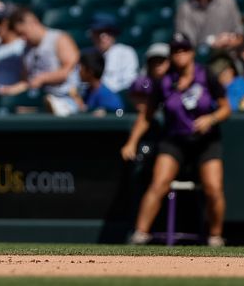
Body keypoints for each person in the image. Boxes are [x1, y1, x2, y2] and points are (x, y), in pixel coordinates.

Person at [121, 33, 231, 248]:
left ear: (191, 52)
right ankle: (140, 235)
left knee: (213, 187)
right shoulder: (165, 81)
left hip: (205, 141)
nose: (180, 55)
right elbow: (147, 115)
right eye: (175, 51)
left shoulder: (205, 74)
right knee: (159, 183)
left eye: (184, 50)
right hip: (175, 141)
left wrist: (211, 117)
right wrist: (132, 141)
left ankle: (216, 237)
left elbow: (226, 108)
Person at [3, 7, 81, 117]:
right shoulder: (26, 49)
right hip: (39, 99)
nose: (23, 38)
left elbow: (68, 71)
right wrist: (11, 89)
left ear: (32, 22)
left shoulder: (59, 38)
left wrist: (43, 78)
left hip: (65, 97)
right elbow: (27, 81)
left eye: (23, 33)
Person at [89, 13, 139, 93]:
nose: (103, 36)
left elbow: (129, 83)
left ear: (114, 34)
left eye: (107, 32)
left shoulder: (126, 52)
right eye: (99, 32)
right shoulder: (87, 56)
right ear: (92, 34)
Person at [76, 49, 124, 115]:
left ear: (90, 71)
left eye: (80, 67)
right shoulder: (87, 92)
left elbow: (120, 112)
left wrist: (106, 112)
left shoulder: (105, 94)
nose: (78, 71)